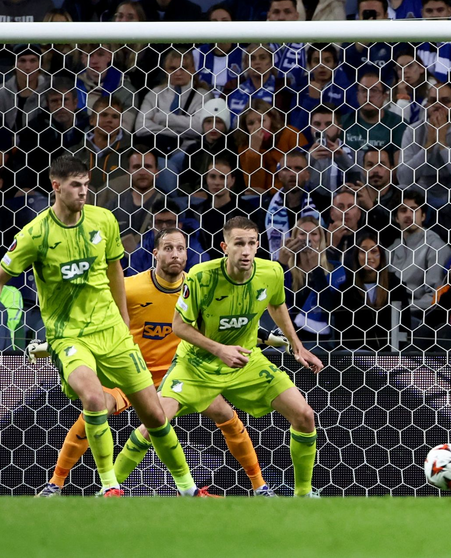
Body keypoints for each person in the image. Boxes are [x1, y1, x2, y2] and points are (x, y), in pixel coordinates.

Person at [0, 156, 204, 496]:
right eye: (76, 186)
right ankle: (109, 487)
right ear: (57, 186)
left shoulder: (104, 220)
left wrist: (123, 320)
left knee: (155, 416)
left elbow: (114, 273)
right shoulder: (35, 235)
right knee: (94, 399)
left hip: (112, 333)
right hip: (69, 335)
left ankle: (188, 489)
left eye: (87, 184)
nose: (84, 192)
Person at [37, 227, 275, 497]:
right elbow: (93, 320)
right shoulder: (130, 288)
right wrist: (50, 345)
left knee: (226, 415)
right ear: (155, 253)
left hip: (179, 375)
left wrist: (267, 337)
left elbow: (226, 322)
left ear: (188, 254)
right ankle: (56, 484)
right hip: (130, 373)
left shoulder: (198, 287)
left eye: (181, 249)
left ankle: (260, 486)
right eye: (169, 248)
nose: (176, 254)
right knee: (94, 411)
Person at [112, 216, 324, 497]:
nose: (246, 251)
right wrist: (219, 349)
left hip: (245, 361)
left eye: (251, 243)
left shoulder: (271, 272)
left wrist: (297, 346)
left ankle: (303, 495)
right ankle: (108, 488)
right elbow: (179, 326)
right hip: (197, 364)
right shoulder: (202, 276)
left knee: (304, 415)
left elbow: (276, 304)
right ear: (225, 246)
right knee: (154, 422)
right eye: (239, 244)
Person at [397, 81, 451, 207]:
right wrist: (428, 146)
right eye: (433, 100)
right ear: (426, 104)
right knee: (400, 190)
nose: (438, 105)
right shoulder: (413, 131)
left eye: (444, 101)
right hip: (420, 194)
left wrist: (443, 145)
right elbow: (403, 178)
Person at [277, 217, 346, 350]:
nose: (308, 238)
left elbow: (330, 308)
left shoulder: (333, 269)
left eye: (314, 234)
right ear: (294, 238)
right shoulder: (287, 272)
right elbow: (277, 301)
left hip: (321, 343)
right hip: (289, 340)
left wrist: (317, 271)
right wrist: (281, 264)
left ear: (321, 239)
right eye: (302, 234)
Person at [334, 230, 409, 352]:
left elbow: (405, 326)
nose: (368, 257)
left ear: (382, 255)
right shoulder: (347, 289)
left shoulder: (395, 286)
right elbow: (341, 332)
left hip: (390, 355)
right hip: (357, 356)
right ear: (356, 256)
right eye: (363, 251)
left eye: (374, 251)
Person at [387, 190, 451, 322]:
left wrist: (401, 309)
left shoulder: (436, 247)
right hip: (391, 313)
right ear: (396, 218)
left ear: (423, 216)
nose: (408, 215)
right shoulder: (391, 249)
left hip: (419, 317)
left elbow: (434, 297)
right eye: (403, 210)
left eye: (413, 210)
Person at [135, 49, 211, 153]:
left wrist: (162, 118)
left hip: (188, 151)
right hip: (158, 149)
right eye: (172, 68)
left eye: (183, 68)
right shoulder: (154, 94)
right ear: (166, 71)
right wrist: (178, 134)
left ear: (192, 70)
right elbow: (140, 127)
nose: (178, 73)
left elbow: (200, 127)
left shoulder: (204, 96)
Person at [236, 99, 309, 196]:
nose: (257, 126)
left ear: (271, 119)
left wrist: (270, 193)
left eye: (262, 120)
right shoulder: (245, 146)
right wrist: (254, 151)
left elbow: (300, 176)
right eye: (251, 123)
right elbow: (254, 187)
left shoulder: (291, 134)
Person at [264, 151, 321, 259]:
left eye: (298, 169)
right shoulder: (266, 207)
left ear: (307, 175)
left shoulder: (321, 204)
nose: (292, 174)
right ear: (279, 175)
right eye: (287, 169)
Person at [128, 199, 210, 274]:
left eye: (169, 222)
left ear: (179, 225)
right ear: (151, 225)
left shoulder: (196, 253)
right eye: (159, 222)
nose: (164, 227)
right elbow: (132, 279)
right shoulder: (142, 250)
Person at [341, 70, 406, 164]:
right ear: (357, 95)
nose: (368, 95)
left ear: (384, 96)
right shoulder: (344, 122)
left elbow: (400, 170)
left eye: (374, 90)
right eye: (364, 90)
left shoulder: (398, 125)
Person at [288, 44, 354, 133]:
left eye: (327, 61)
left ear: (335, 64)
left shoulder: (347, 89)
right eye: (316, 61)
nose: (322, 65)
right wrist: (311, 100)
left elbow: (351, 126)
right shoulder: (300, 88)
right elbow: (297, 130)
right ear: (309, 65)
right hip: (307, 144)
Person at [192, 6, 245, 96]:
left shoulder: (245, 54)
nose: (220, 25)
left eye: (225, 21)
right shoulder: (197, 54)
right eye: (214, 21)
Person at [0, 45, 49, 136]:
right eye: (22, 61)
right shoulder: (2, 92)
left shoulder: (50, 90)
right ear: (14, 65)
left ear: (40, 64)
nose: (27, 67)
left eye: (33, 61)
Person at [418, 0, 451, 81]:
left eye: (440, 10)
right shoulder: (413, 40)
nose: (435, 15)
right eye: (429, 11)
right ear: (422, 13)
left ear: (449, 11)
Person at [227, 43, 279, 116]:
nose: (257, 62)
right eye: (252, 58)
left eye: (262, 58)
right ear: (246, 64)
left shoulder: (282, 91)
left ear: (271, 63)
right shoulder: (235, 91)